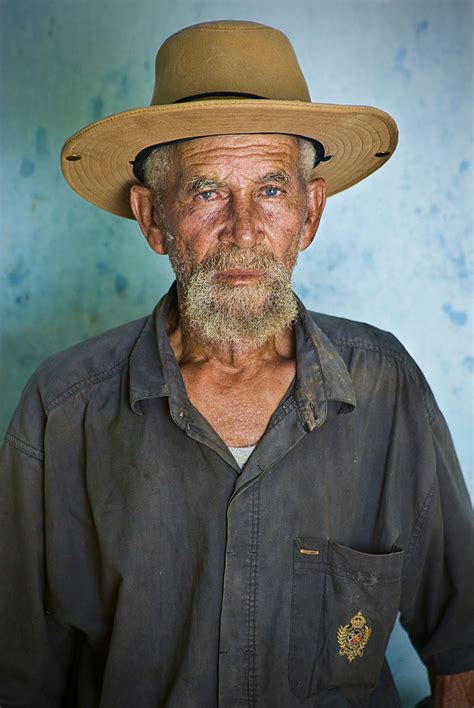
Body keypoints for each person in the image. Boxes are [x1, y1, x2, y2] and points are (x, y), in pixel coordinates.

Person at [0, 19, 473, 708]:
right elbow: (17, 680)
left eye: (272, 190)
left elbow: (464, 649)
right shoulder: (62, 413)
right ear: (152, 217)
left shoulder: (385, 388)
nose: (244, 229)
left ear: (310, 214)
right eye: (206, 191)